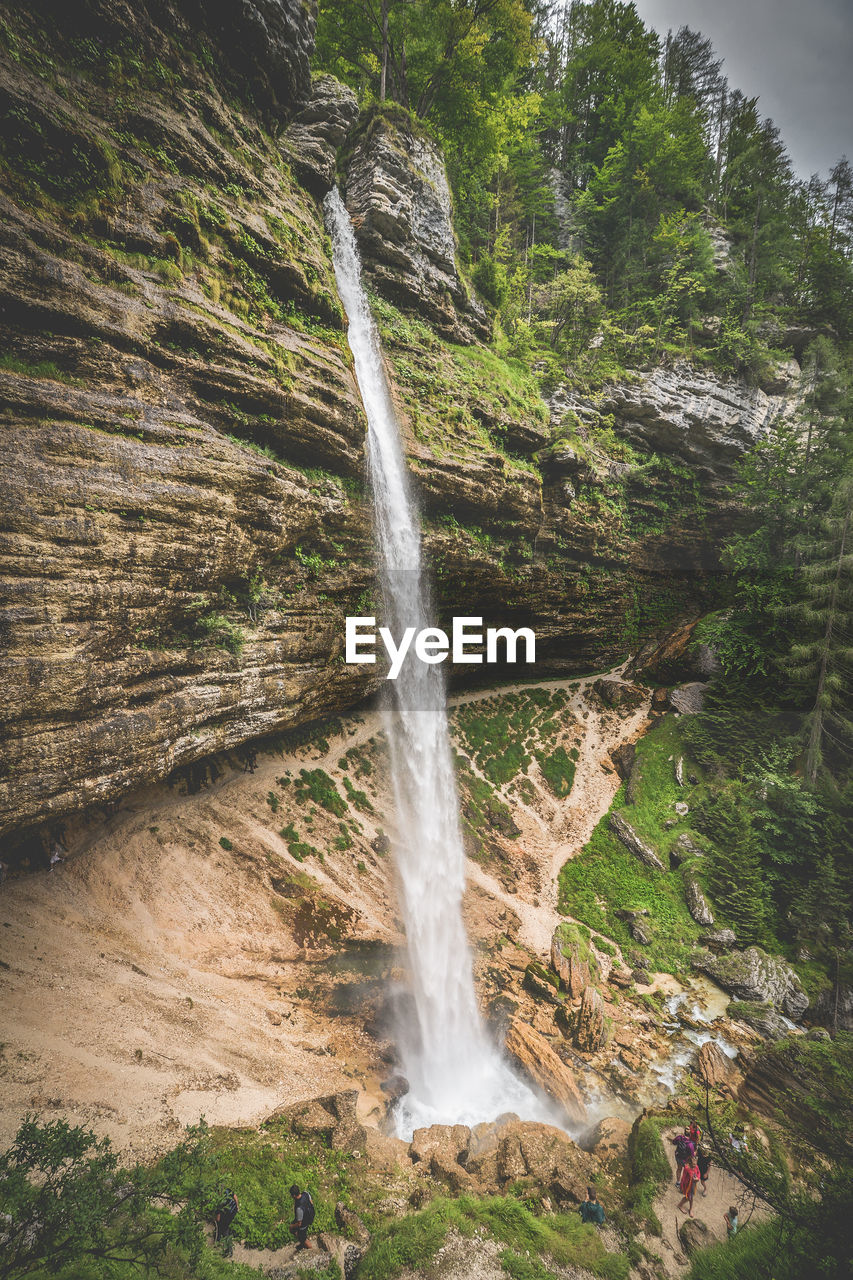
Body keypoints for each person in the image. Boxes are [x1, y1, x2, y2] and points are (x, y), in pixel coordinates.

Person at [289, 1183, 315, 1250]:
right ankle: (302, 1241)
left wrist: (292, 1226)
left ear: (294, 1195)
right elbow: (311, 1203)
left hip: (303, 1224)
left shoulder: (299, 1209)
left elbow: (299, 1224)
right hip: (309, 1217)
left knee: (302, 1237)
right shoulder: (306, 1193)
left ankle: (310, 1249)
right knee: (294, 1231)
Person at [213, 1188, 239, 1252]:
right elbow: (235, 1197)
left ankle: (220, 1243)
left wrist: (216, 1222)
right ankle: (226, 1245)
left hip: (228, 1214)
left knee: (223, 1228)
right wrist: (237, 1206)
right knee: (225, 1227)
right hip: (233, 1210)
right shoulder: (227, 1191)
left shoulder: (220, 1201)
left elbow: (218, 1218)